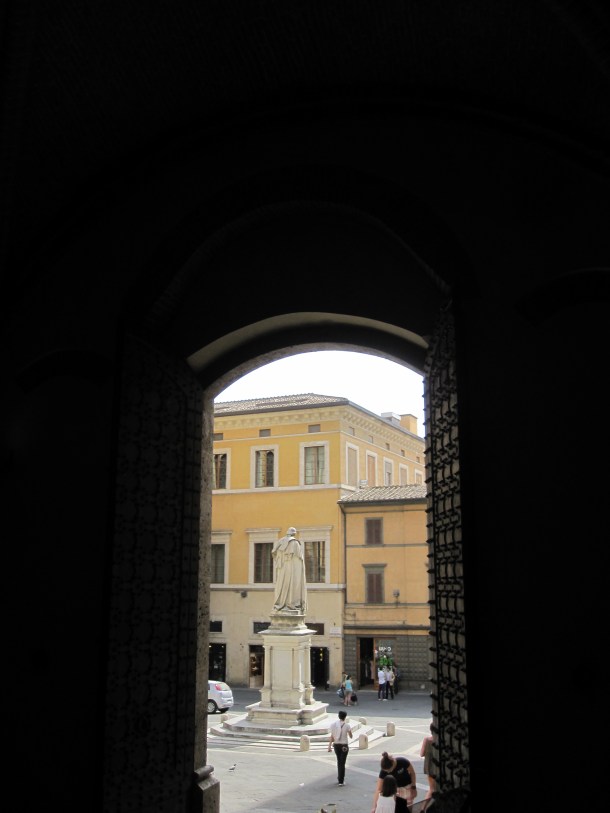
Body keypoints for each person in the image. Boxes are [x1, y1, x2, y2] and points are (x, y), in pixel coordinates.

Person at [271, 526, 307, 614]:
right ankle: (290, 603)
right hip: (292, 568)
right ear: (294, 534)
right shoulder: (295, 543)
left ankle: (281, 603)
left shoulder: (280, 541)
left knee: (282, 585)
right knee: (292, 585)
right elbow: (300, 557)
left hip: (282, 568)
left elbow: (274, 552)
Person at [328, 709, 353, 786]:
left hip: (336, 745)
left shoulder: (334, 725)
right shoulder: (347, 725)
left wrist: (329, 746)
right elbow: (351, 736)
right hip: (344, 745)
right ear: (345, 717)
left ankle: (339, 778)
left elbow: (332, 736)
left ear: (339, 716)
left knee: (339, 762)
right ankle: (341, 781)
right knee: (342, 763)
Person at [420, 722, 437, 808]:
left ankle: (423, 807)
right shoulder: (440, 740)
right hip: (438, 767)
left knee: (431, 789)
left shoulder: (427, 740)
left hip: (429, 767)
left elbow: (421, 754)